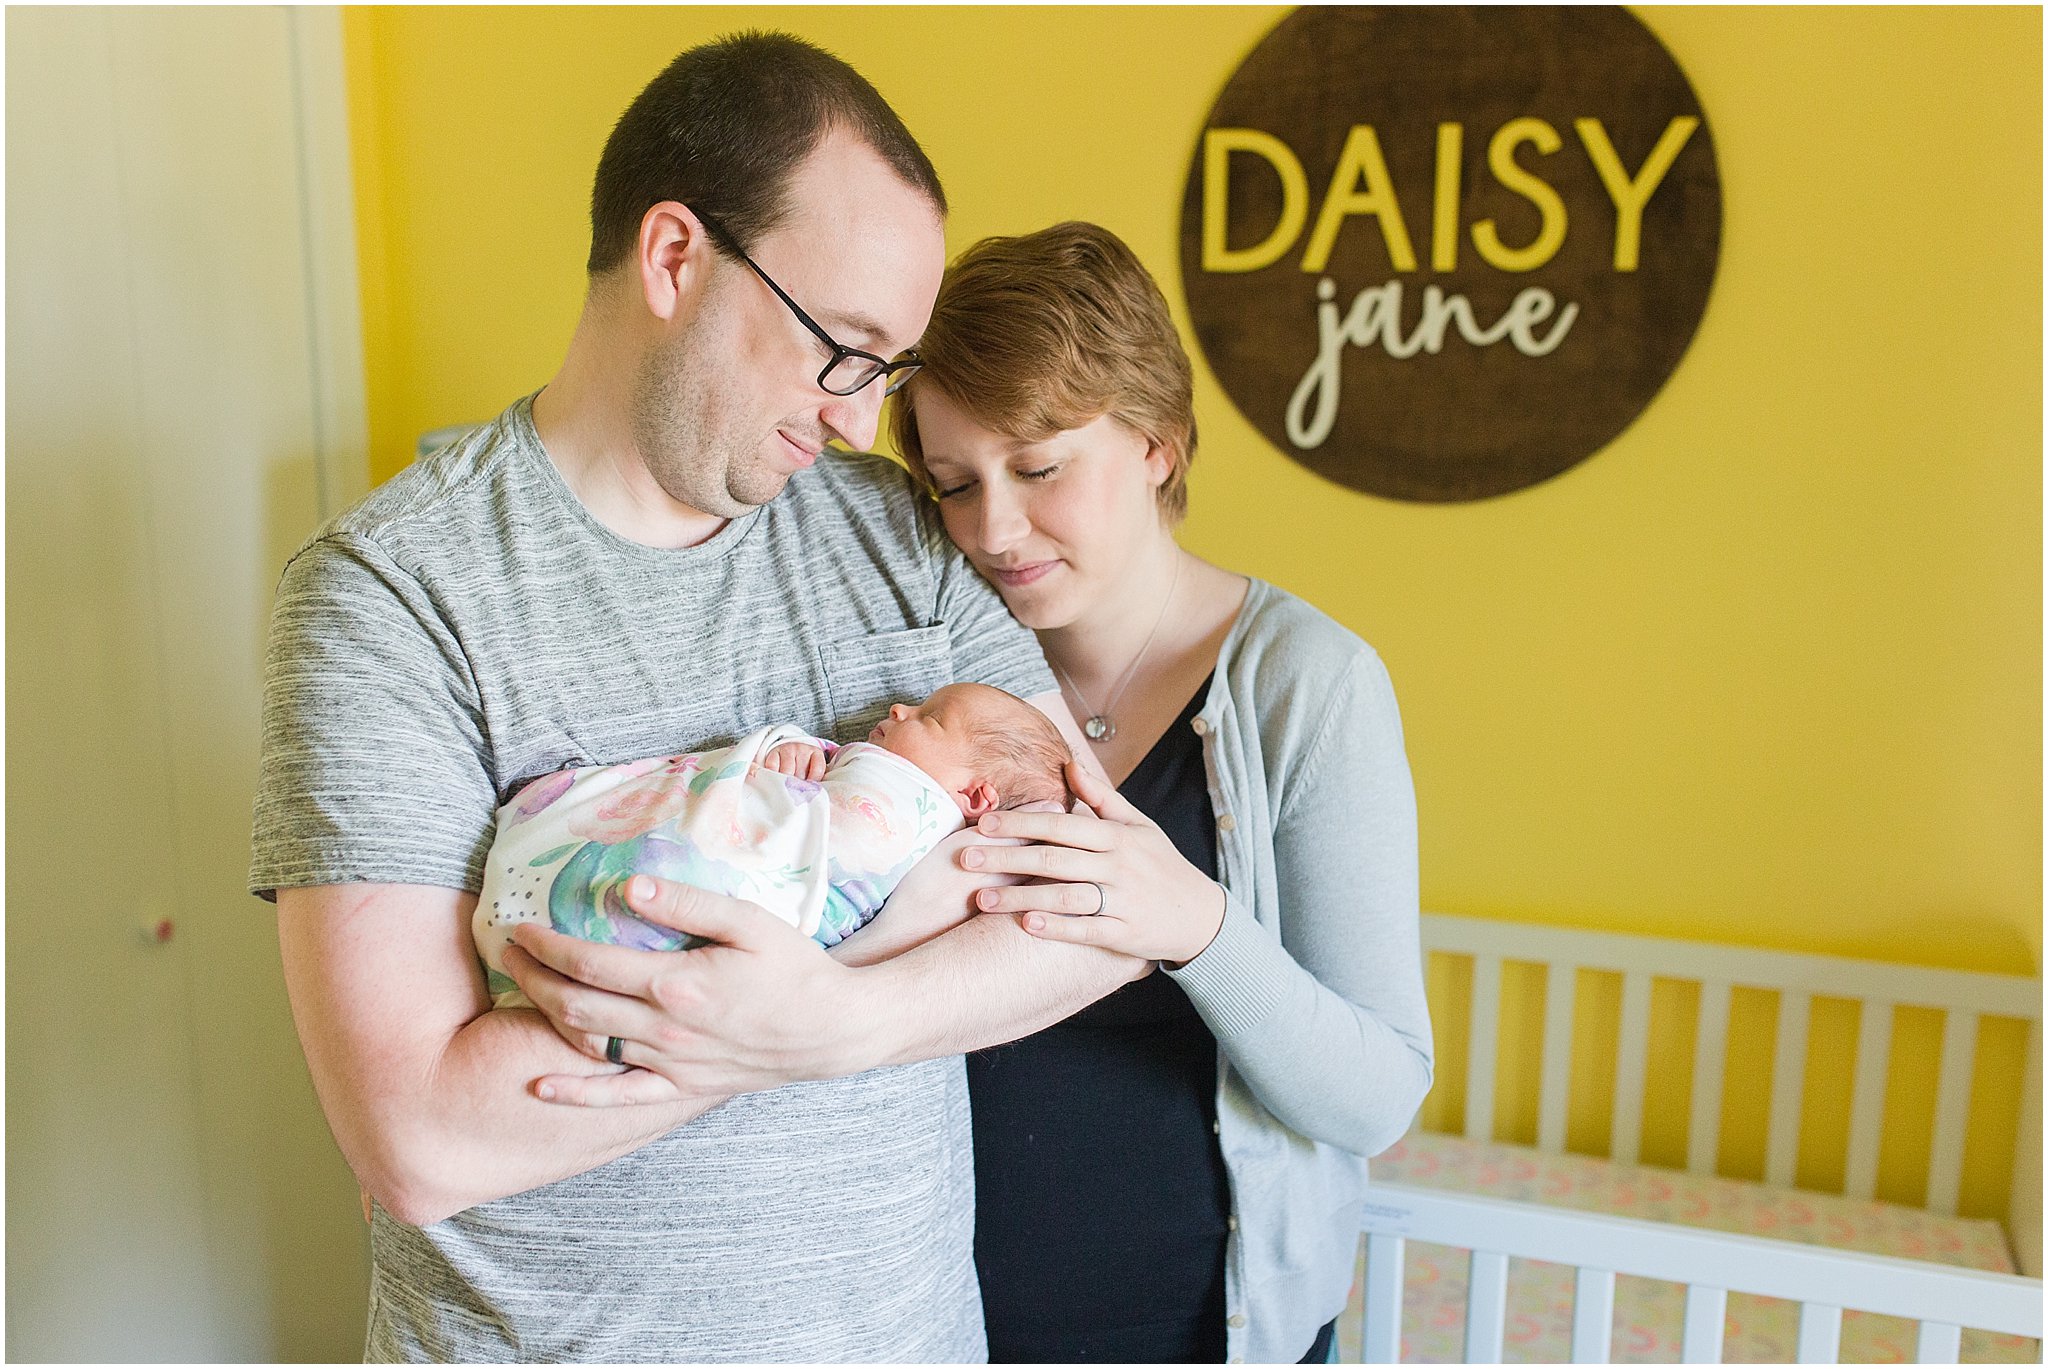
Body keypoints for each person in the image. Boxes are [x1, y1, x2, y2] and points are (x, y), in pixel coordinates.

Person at [251, 35, 1140, 1363]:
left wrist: (833, 1025)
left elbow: (1101, 907)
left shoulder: (899, 536)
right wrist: (847, 969)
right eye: (844, 348)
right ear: (676, 258)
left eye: (886, 370)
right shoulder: (393, 594)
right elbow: (424, 1136)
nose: (857, 424)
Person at [886, 221, 1436, 1364]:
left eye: (1037, 469)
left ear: (1156, 442)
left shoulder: (1306, 686)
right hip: (939, 1329)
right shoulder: (932, 678)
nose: (991, 528)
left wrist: (1197, 927)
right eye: (952, 484)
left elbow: (1375, 1095)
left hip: (1201, 1333)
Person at [473, 682, 1074, 999]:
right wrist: (783, 754)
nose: (899, 708)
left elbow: (848, 857)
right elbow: (779, 794)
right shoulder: (849, 766)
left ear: (975, 800)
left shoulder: (917, 818)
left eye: (929, 718)